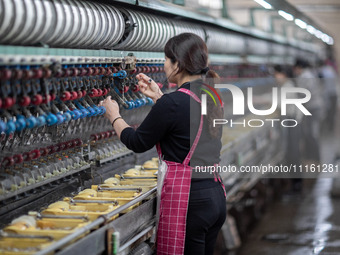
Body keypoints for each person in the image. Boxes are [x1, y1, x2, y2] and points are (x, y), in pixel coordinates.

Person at [100, 33, 227, 255]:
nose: (164, 64)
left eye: (166, 59)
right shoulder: (210, 95)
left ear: (178, 64)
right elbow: (186, 119)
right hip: (214, 195)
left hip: (190, 202)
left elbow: (137, 141)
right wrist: (159, 97)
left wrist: (114, 115)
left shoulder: (173, 103)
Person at [293, 59, 323, 164]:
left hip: (312, 107)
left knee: (311, 133)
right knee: (310, 133)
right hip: (313, 107)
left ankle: (315, 158)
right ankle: (313, 157)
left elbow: (304, 93)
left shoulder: (305, 76)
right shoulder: (309, 74)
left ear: (298, 68)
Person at [318, 59, 338, 132]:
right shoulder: (331, 70)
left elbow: (324, 86)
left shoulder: (322, 72)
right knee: (332, 112)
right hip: (333, 94)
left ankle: (329, 127)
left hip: (328, 95)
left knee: (328, 111)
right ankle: (331, 127)